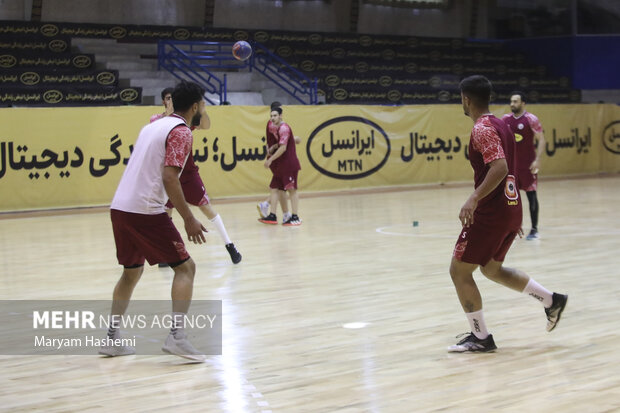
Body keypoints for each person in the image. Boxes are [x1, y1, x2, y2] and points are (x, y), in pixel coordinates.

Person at [448, 75, 567, 353]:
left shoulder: (482, 128)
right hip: (509, 207)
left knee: (459, 271)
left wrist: (473, 199)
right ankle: (552, 301)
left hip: (491, 212)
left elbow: (500, 167)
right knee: (491, 269)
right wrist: (511, 215)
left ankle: (481, 338)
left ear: (466, 99)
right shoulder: (502, 124)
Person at [101, 81, 209, 362]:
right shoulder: (181, 132)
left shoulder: (152, 126)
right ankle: (177, 337)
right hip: (145, 210)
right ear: (196, 106)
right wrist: (188, 218)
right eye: (203, 105)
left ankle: (111, 338)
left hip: (120, 207)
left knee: (131, 272)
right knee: (186, 268)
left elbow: (203, 121)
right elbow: (169, 177)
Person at [153, 88, 241, 265]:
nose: (171, 101)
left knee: (206, 207)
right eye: (168, 99)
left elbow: (205, 125)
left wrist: (202, 110)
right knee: (166, 212)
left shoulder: (184, 122)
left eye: (173, 98)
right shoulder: (156, 120)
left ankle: (229, 245)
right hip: (170, 174)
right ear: (164, 102)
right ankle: (168, 251)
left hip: (188, 173)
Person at [501, 91, 546, 240]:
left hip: (528, 165)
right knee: (510, 199)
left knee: (531, 195)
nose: (512, 104)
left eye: (515, 101)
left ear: (523, 103)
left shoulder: (531, 119)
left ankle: (534, 230)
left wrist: (538, 160)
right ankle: (511, 229)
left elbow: (542, 140)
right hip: (511, 167)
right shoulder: (505, 119)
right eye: (511, 101)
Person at [256, 101, 301, 223]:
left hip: (284, 161)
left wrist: (271, 154)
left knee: (286, 189)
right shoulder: (274, 126)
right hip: (279, 161)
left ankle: (290, 215)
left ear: (280, 115)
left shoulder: (282, 127)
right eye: (272, 115)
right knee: (278, 188)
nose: (273, 118)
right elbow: (280, 143)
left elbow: (282, 145)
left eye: (275, 115)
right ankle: (277, 213)